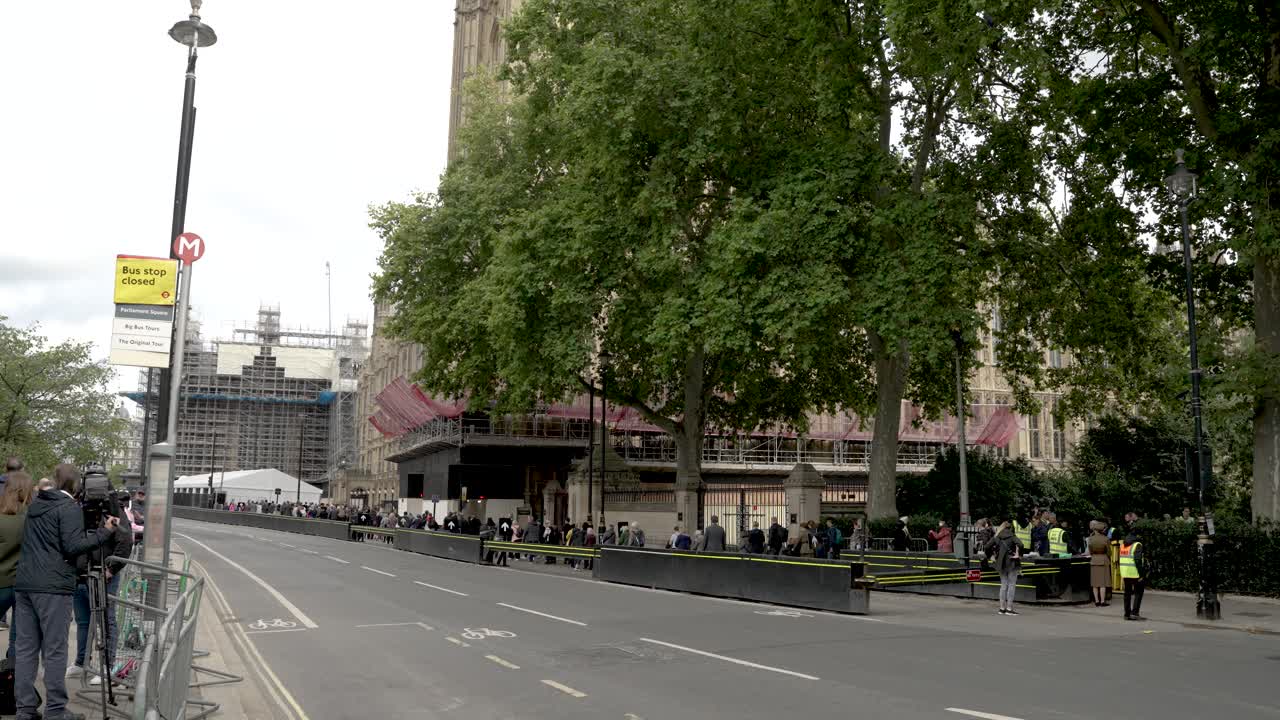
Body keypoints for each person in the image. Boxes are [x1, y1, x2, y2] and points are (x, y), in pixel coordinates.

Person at [15, 466, 119, 720]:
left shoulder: (36, 504)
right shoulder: (68, 507)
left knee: (26, 649)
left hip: (26, 584)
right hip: (52, 588)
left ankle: (25, 708)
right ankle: (55, 710)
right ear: (77, 486)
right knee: (55, 650)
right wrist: (105, 532)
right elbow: (73, 546)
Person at [71, 487, 132, 684]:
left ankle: (108, 666)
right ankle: (81, 662)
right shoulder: (78, 507)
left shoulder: (114, 511)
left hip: (103, 576)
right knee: (82, 622)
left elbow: (125, 542)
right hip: (80, 575)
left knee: (106, 621)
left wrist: (111, 569)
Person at [0, 471, 35, 664]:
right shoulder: (32, 519)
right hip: (23, 583)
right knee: (18, 636)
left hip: (2, 581)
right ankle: (12, 673)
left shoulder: (2, 519)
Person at [984, 520, 1024, 616]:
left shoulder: (997, 537)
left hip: (1000, 564)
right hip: (1012, 563)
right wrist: (1018, 555)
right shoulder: (1012, 536)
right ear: (1010, 528)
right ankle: (1009, 609)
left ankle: (1002, 608)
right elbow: (1021, 544)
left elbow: (986, 547)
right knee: (1011, 585)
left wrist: (991, 557)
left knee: (1003, 585)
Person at [1118, 529, 1146, 621]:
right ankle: (1134, 613)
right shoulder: (1137, 545)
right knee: (1138, 592)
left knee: (1127, 593)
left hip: (1125, 572)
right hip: (1135, 573)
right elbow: (1138, 560)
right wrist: (1141, 574)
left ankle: (1127, 614)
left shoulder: (1123, 545)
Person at [1087, 520, 1111, 607]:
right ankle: (1102, 601)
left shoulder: (1090, 539)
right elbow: (1109, 552)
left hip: (1094, 560)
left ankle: (1096, 601)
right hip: (1103, 560)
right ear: (1102, 530)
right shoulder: (1106, 539)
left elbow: (1090, 551)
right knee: (1102, 583)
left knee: (1095, 583)